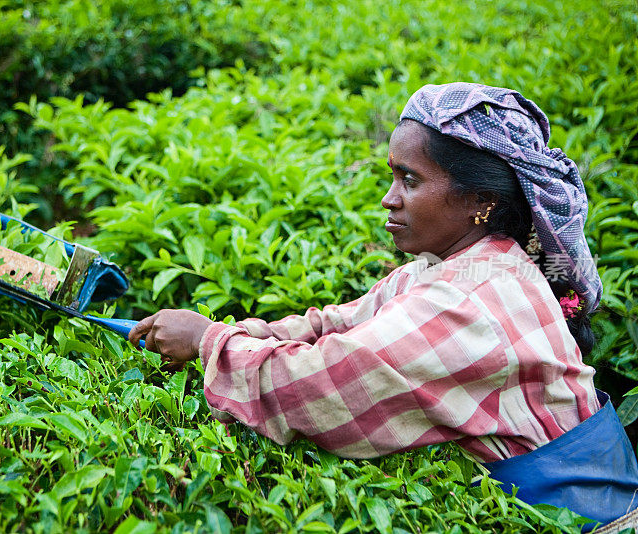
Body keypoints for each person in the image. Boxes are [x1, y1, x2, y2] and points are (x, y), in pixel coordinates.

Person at [129, 82, 638, 529]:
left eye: (410, 181)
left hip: (582, 523)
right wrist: (232, 333)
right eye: (392, 177)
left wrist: (207, 342)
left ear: (478, 201)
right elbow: (336, 324)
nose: (388, 199)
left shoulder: (468, 303)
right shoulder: (469, 263)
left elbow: (316, 385)